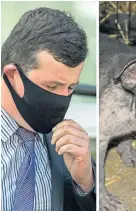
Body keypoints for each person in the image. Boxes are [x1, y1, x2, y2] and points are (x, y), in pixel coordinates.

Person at [1, 7, 95, 211]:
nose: (62, 99)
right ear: (13, 75)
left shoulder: (69, 142)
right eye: (51, 87)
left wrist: (85, 180)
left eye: (71, 87)